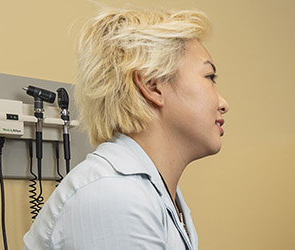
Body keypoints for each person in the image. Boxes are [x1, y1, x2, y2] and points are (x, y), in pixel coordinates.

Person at [23, 7, 228, 250]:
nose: (223, 103)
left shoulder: (150, 191)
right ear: (152, 86)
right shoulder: (114, 195)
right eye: (209, 77)